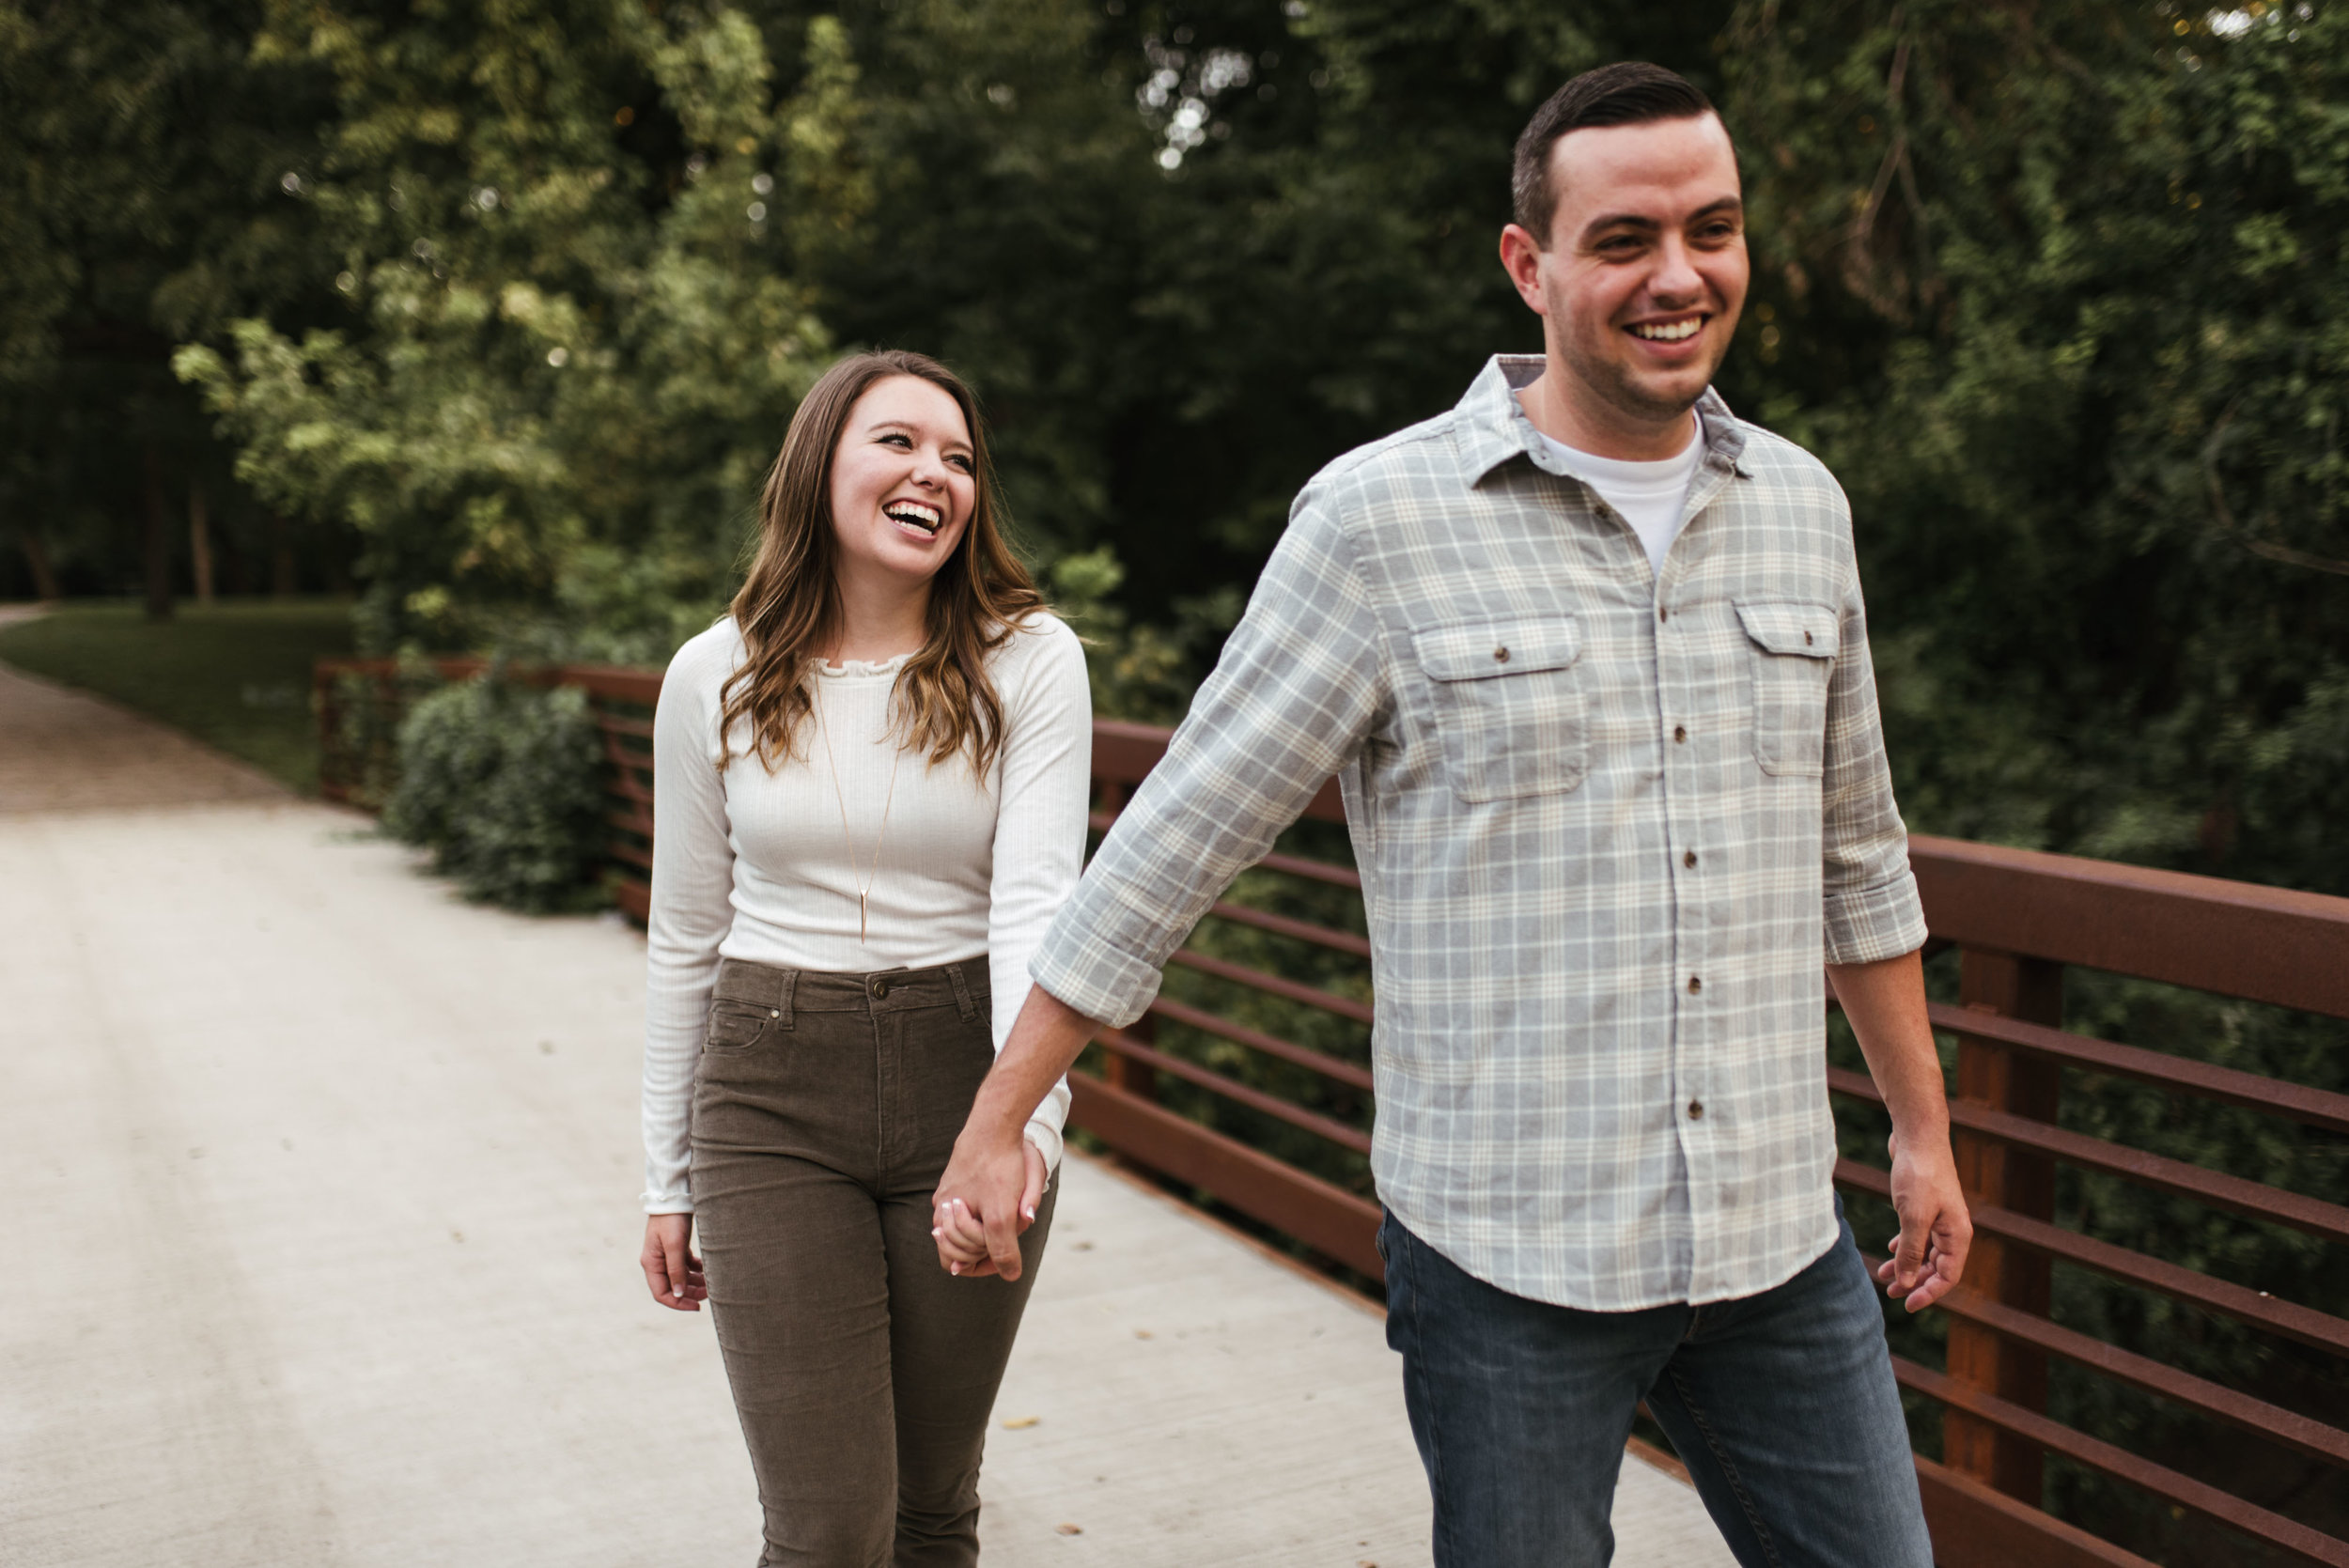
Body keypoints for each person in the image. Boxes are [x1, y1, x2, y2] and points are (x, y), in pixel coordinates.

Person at [931, 62, 1968, 1568]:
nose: (1679, 275)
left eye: (1714, 229)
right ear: (1528, 262)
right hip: (1510, 1264)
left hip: (1776, 1244)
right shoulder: (1377, 521)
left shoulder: (1804, 507)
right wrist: (997, 1112)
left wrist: (1922, 1131)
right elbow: (1175, 842)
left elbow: (1858, 853)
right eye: (1624, 240)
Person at [637, 349, 1089, 1567]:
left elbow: (1039, 915)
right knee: (829, 1528)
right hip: (769, 1090)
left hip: (968, 1074)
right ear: (820, 464)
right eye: (897, 441)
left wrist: (1024, 1130)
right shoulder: (712, 674)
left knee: (930, 1508)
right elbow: (684, 932)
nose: (933, 473)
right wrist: (664, 1175)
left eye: (958, 456)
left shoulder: (1030, 661)